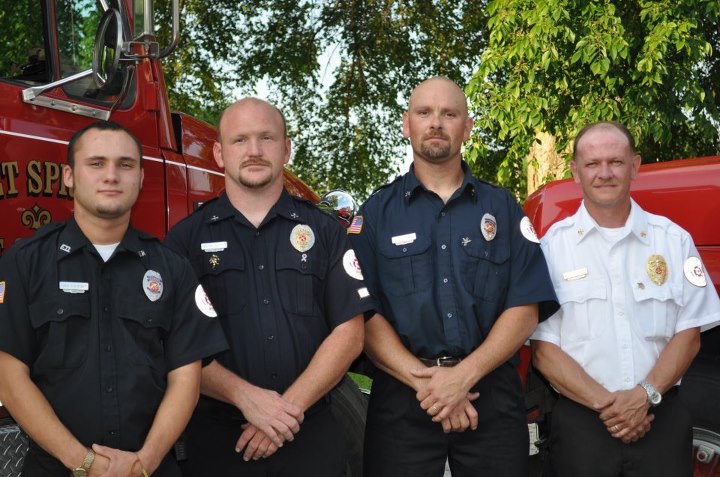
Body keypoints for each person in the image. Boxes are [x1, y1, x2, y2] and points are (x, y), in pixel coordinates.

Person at [348, 76, 559, 477]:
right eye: (424, 112)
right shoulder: (375, 213)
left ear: (467, 126)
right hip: (402, 397)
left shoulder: (504, 208)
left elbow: (525, 307)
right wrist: (432, 386)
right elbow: (363, 313)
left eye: (449, 114)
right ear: (406, 123)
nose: (436, 123)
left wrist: (462, 377)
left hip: (490, 394)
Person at [0, 120, 228, 477]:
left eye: (125, 165)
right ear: (70, 176)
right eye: (96, 163)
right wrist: (83, 463)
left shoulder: (173, 268)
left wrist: (143, 463)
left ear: (140, 178)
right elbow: (9, 376)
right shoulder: (24, 262)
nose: (111, 176)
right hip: (56, 469)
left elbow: (186, 379)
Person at [164, 97, 371, 477]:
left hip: (310, 435)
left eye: (267, 138)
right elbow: (175, 343)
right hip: (220, 444)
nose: (254, 151)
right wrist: (247, 399)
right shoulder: (184, 241)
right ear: (219, 153)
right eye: (240, 140)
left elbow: (350, 333)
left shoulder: (325, 233)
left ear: (287, 149)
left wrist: (284, 410)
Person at [530, 121, 720, 476]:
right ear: (575, 172)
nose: (604, 173)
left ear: (634, 166)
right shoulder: (551, 248)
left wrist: (643, 397)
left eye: (615, 162)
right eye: (592, 164)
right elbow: (544, 350)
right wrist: (614, 407)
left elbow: (689, 335)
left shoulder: (673, 241)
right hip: (581, 427)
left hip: (659, 420)